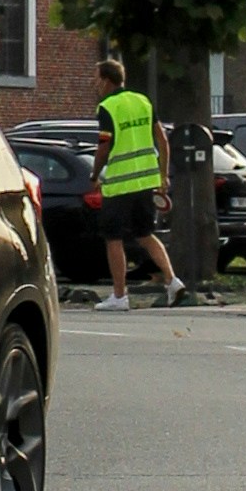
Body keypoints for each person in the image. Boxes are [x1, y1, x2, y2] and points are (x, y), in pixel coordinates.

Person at [91, 52, 180, 310]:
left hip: (120, 184)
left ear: (107, 80)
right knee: (145, 234)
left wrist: (95, 174)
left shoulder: (108, 107)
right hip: (145, 181)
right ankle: (173, 282)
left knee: (113, 238)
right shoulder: (143, 101)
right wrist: (162, 174)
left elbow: (105, 146)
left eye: (96, 79)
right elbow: (162, 139)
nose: (95, 85)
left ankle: (119, 296)